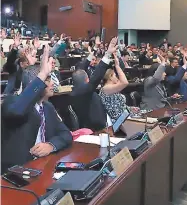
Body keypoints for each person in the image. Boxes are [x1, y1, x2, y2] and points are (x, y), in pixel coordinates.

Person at [1, 45, 72, 173]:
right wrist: (42, 74)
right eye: (48, 79)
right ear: (35, 83)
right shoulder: (11, 102)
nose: (52, 83)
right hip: (16, 173)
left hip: (44, 166)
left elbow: (66, 134)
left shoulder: (48, 107)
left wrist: (51, 146)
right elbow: (18, 110)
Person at [70, 37, 118, 131]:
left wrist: (95, 48)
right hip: (97, 129)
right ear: (87, 79)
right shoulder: (84, 92)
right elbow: (96, 78)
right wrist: (107, 54)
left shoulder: (75, 91)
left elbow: (82, 67)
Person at [99, 53, 129, 123]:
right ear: (110, 76)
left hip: (125, 117)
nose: (118, 78)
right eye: (116, 75)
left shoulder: (112, 87)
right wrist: (117, 66)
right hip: (117, 122)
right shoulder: (106, 89)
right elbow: (125, 82)